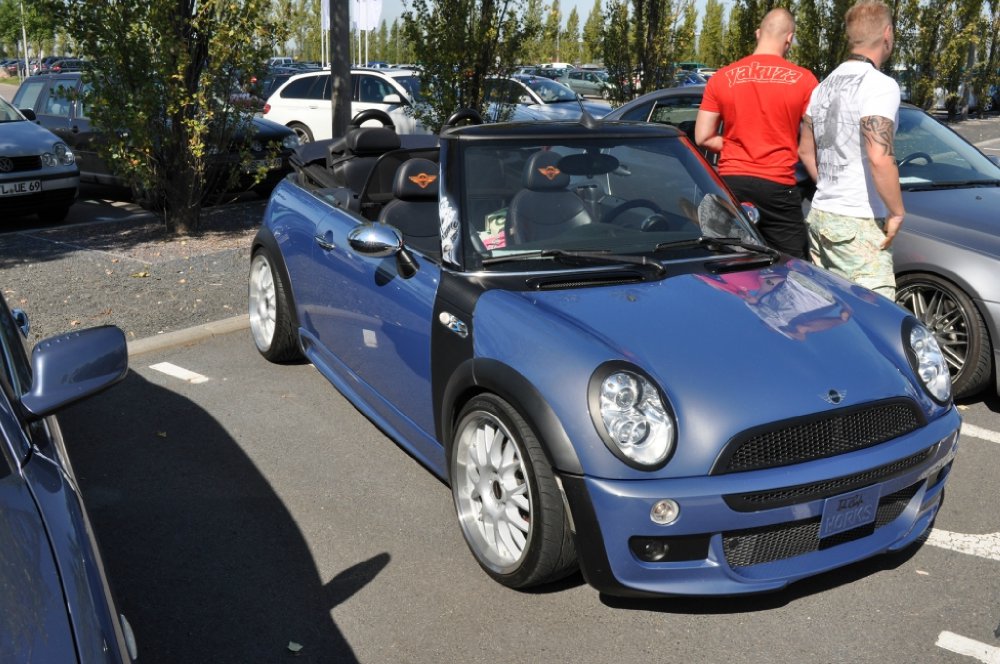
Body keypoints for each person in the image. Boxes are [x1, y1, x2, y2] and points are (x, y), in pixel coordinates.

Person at [797, 0, 903, 299]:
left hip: (822, 214)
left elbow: (805, 151)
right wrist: (896, 212)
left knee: (838, 312)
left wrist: (832, 185)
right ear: (887, 33)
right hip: (858, 222)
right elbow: (879, 155)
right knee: (878, 320)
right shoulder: (880, 85)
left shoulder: (823, 87)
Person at [694, 8, 818, 260]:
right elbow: (810, 146)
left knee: (731, 261)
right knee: (792, 268)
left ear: (758, 33)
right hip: (778, 185)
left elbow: (703, 137)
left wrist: (737, 145)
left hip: (731, 183)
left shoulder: (721, 78)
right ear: (789, 38)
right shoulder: (805, 81)